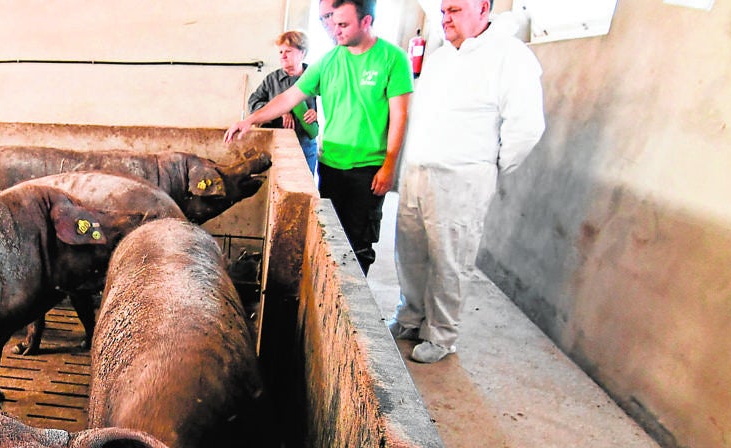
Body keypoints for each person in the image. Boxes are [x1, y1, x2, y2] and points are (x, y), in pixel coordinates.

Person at [388, 0, 546, 363]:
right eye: (443, 12)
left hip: (462, 178)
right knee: (410, 250)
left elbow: (527, 127)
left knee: (450, 259)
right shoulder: (441, 57)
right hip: (419, 170)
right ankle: (411, 316)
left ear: (483, 8)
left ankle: (441, 336)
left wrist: (487, 166)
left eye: (455, 10)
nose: (446, 18)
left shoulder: (510, 56)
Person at [226, 0, 412, 277]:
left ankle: (353, 296)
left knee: (360, 241)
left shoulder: (392, 58)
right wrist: (251, 119)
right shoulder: (329, 61)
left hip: (368, 168)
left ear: (366, 22)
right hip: (331, 165)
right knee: (332, 236)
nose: (336, 30)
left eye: (344, 24)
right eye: (334, 23)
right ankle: (331, 287)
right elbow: (290, 96)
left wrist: (389, 165)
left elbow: (400, 115)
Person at [247, 31, 320, 177]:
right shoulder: (272, 80)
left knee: (304, 187)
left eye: (288, 51)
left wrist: (318, 114)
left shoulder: (315, 77)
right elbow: (253, 104)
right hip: (277, 145)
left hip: (305, 146)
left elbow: (332, 105)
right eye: (280, 52)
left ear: (302, 53)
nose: (283, 56)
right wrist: (280, 111)